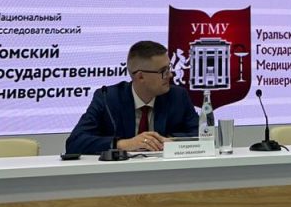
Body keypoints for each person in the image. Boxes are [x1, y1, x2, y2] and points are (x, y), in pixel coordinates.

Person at [65, 40, 198, 154]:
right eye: (163, 71)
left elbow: (202, 135)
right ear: (140, 77)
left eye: (169, 68)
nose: (170, 75)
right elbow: (75, 142)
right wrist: (124, 144)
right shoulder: (108, 99)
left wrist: (172, 142)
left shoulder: (178, 97)